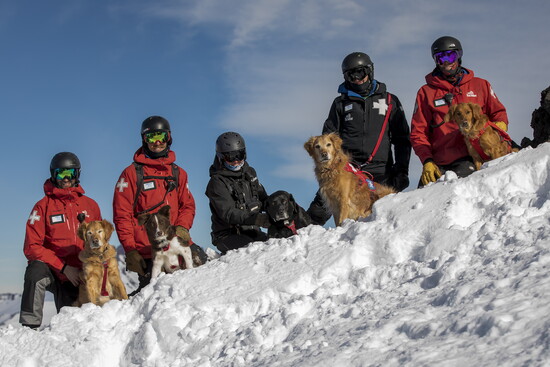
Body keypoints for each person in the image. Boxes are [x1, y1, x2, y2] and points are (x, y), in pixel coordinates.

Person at [307, 51, 411, 225]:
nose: (357, 79)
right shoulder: (340, 103)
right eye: (351, 75)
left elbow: (402, 140)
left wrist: (401, 171)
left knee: (384, 218)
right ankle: (297, 243)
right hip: (347, 170)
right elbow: (328, 137)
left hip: (380, 172)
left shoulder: (389, 101)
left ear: (369, 71)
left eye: (360, 72)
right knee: (318, 211)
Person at [113, 116, 204, 295]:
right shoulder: (131, 174)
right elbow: (122, 214)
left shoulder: (178, 173)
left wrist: (182, 228)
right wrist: (131, 250)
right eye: (151, 137)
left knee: (201, 276)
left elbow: (188, 206)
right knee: (154, 295)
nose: (157, 143)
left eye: (161, 137)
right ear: (144, 140)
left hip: (177, 243)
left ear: (168, 138)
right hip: (148, 250)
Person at [410, 36, 509, 186]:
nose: (446, 62)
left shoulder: (480, 85)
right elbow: (418, 132)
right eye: (440, 58)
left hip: (472, 156)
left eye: (450, 56)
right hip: (440, 161)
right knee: (419, 203)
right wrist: (427, 161)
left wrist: (500, 127)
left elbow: (498, 112)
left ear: (459, 55)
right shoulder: (426, 92)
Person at [20, 152, 102, 329]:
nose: (65, 178)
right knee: (35, 271)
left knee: (73, 325)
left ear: (77, 174)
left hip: (78, 276)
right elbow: (31, 247)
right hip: (54, 271)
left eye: (70, 173)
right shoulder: (43, 206)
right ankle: (29, 326)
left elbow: (99, 244)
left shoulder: (91, 206)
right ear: (53, 175)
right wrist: (64, 268)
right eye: (60, 173)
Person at [205, 132, 270, 255]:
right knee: (253, 252)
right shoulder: (217, 182)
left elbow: (264, 198)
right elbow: (228, 213)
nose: (236, 161)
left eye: (239, 155)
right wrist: (257, 219)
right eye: (230, 157)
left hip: (252, 231)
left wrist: (278, 207)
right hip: (228, 235)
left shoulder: (250, 173)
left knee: (275, 246)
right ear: (221, 157)